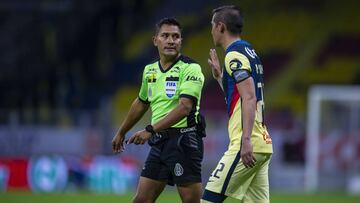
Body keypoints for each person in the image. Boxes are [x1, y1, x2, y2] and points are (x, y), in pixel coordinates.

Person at [112, 18, 205, 203]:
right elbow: (141, 102)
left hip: (184, 141)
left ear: (181, 41)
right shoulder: (150, 70)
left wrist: (150, 130)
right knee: (141, 200)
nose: (171, 40)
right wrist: (121, 132)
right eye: (165, 36)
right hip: (160, 142)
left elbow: (185, 107)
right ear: (155, 40)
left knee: (190, 201)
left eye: (175, 36)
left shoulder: (191, 68)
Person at [201, 5, 273, 203]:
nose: (211, 30)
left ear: (221, 27)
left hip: (248, 143)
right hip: (263, 144)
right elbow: (241, 96)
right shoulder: (250, 52)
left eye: (212, 25)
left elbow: (249, 98)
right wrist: (220, 78)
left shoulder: (234, 55)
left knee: (208, 199)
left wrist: (246, 140)